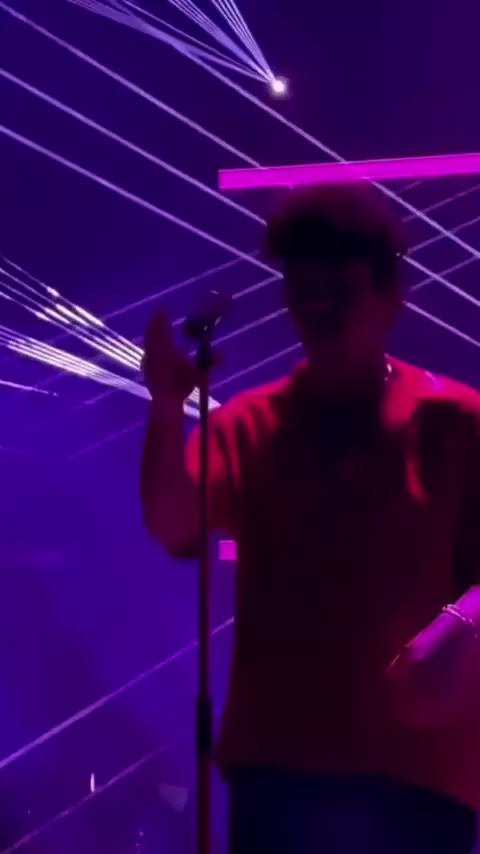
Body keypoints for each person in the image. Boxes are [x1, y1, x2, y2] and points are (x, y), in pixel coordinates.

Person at [141, 183, 480, 854]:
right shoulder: (248, 424)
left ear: (390, 297)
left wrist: (464, 623)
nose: (318, 310)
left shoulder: (458, 422)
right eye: (303, 293)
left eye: (339, 293)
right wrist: (164, 410)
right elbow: (173, 524)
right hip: (282, 773)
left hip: (415, 775)